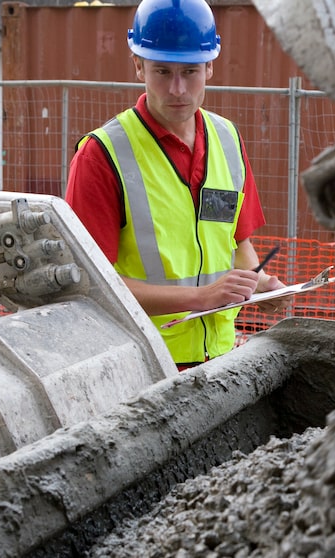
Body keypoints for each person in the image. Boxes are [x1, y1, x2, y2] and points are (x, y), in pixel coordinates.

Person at [65, 0, 289, 368]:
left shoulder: (227, 140)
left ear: (210, 67)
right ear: (138, 66)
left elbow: (238, 246)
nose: (178, 89)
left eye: (190, 71)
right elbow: (89, 285)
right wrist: (201, 297)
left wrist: (258, 285)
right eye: (162, 72)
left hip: (219, 358)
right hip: (140, 363)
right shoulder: (101, 156)